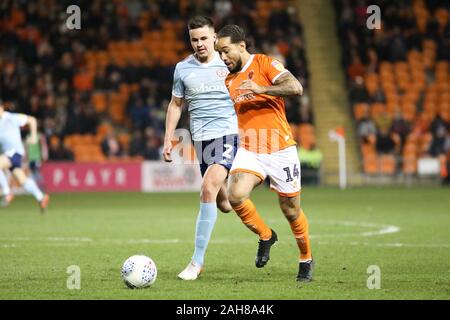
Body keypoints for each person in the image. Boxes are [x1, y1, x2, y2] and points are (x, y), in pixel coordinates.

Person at [216, 25, 313, 282]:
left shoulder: (265, 63)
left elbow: (296, 87)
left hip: (281, 149)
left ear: (241, 46)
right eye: (219, 54)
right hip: (250, 149)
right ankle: (266, 235)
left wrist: (262, 89)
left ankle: (305, 258)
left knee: (291, 210)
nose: (223, 58)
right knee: (235, 196)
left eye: (226, 51)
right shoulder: (228, 80)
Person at [162, 16, 239, 280]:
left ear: (215, 37)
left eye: (204, 38)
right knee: (224, 204)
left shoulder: (229, 63)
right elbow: (175, 105)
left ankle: (196, 262)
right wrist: (168, 139)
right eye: (194, 39)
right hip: (202, 141)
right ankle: (246, 187)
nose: (200, 44)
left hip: (228, 135)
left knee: (206, 189)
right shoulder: (182, 69)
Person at [0, 102, 50, 212]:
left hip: (15, 152)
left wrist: (33, 137)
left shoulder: (11, 118)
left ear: (1, 108)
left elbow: (32, 120)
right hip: (8, 154)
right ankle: (41, 197)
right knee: (22, 179)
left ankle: (7, 192)